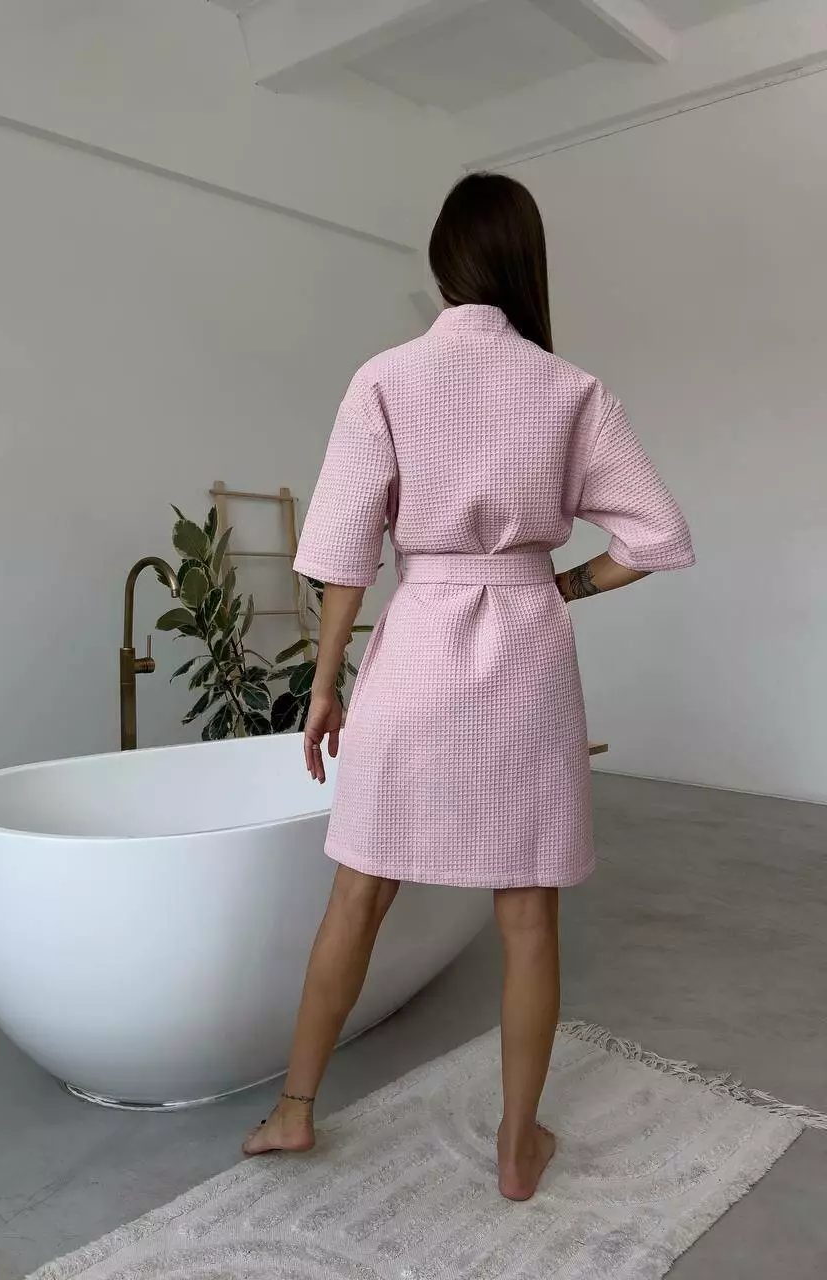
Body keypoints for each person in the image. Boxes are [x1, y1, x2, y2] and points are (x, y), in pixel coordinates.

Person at [243, 172, 694, 1200]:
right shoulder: (571, 389)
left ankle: (294, 1110)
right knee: (527, 912)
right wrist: (561, 582)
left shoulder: (386, 378)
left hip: (415, 646)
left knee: (359, 888)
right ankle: (516, 1147)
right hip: (529, 648)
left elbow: (344, 555)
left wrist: (326, 682)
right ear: (526, 262)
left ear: (444, 262)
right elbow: (659, 535)